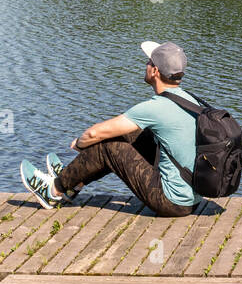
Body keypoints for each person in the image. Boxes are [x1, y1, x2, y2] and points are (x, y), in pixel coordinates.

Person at [19, 41, 203, 217]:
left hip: (170, 202)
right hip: (191, 198)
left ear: (155, 71)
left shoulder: (155, 107)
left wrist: (81, 145)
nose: (145, 64)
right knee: (129, 133)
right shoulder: (191, 101)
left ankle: (53, 190)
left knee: (109, 147)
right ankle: (73, 183)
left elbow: (95, 133)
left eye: (149, 62)